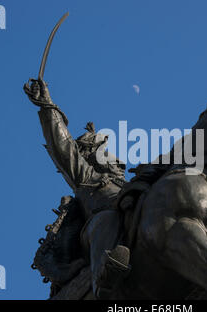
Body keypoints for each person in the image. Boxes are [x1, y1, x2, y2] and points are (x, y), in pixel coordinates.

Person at [23, 78, 131, 299]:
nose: (115, 158)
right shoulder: (87, 177)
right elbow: (62, 146)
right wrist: (47, 106)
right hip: (100, 235)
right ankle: (104, 280)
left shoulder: (130, 184)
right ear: (89, 157)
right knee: (106, 220)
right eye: (104, 151)